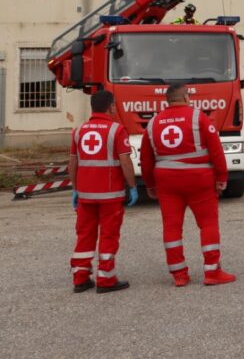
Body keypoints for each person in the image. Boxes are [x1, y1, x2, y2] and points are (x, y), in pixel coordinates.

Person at [141, 82, 235, 286]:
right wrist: (222, 178)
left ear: (167, 100)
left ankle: (179, 274)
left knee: (172, 226)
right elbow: (216, 149)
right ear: (185, 98)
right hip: (198, 178)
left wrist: (149, 184)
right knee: (208, 223)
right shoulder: (197, 116)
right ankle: (212, 272)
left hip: (166, 181)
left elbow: (146, 158)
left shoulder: (153, 122)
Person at [68, 90, 138, 294]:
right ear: (110, 107)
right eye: (114, 105)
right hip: (110, 194)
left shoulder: (79, 130)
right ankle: (106, 279)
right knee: (108, 235)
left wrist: (75, 188)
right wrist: (132, 186)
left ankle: (80, 278)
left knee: (84, 235)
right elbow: (125, 160)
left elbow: (73, 161)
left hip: (85, 195)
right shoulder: (116, 130)